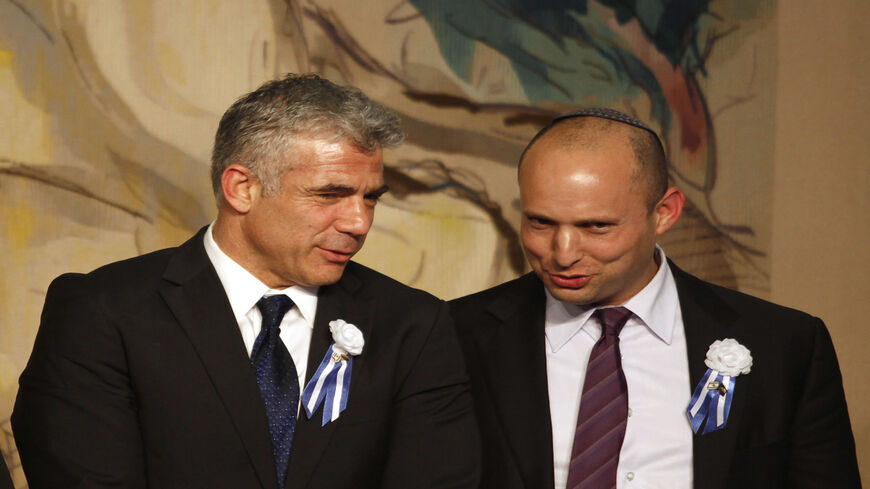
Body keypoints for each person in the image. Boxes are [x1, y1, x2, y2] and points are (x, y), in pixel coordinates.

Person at [12, 73, 479, 489]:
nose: (359, 222)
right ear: (241, 188)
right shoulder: (103, 312)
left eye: (370, 198)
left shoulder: (413, 325)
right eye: (330, 194)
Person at [449, 108, 861, 489]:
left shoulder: (784, 343)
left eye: (596, 226)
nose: (563, 252)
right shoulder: (453, 334)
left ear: (664, 212)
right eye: (540, 222)